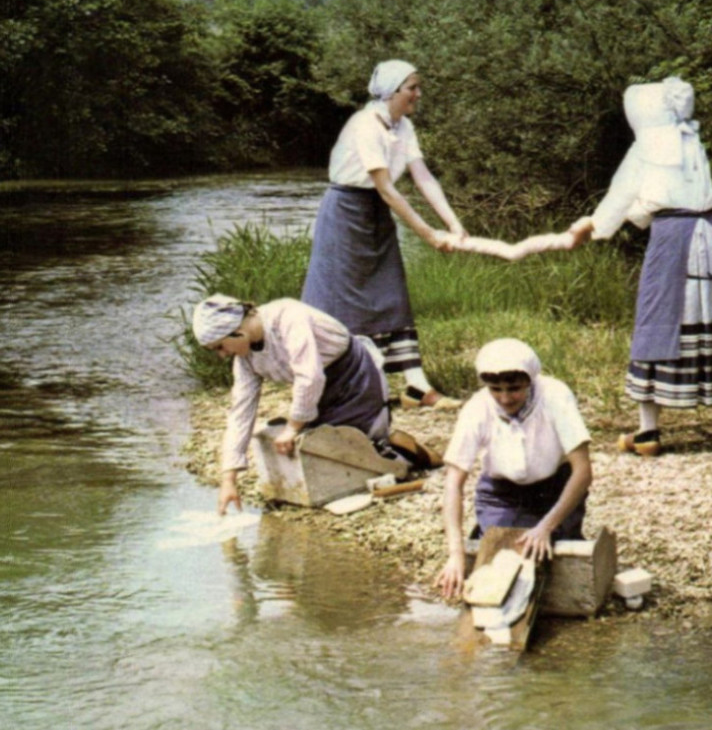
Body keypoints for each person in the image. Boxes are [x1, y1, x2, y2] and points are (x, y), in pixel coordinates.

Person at [566, 77, 712, 457]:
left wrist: (591, 227)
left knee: (657, 319)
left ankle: (648, 433)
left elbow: (623, 197)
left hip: (673, 236)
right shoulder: (691, 141)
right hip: (711, 233)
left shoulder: (647, 145)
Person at [302, 60, 466, 408]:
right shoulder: (365, 126)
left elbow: (422, 177)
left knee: (390, 291)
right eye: (413, 88)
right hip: (346, 213)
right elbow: (387, 188)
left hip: (375, 213)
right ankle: (334, 382)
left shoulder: (402, 126)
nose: (418, 94)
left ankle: (416, 386)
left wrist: (453, 224)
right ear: (392, 92)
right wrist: (428, 235)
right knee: (338, 301)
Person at [193, 294, 428, 515]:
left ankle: (408, 453)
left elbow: (310, 376)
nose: (222, 355)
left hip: (352, 376)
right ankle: (386, 445)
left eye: (220, 347)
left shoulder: (288, 317)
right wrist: (229, 480)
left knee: (355, 443)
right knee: (319, 448)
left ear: (236, 332)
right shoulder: (245, 359)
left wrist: (293, 427)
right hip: (318, 391)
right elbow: (240, 412)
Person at [435, 339, 592, 601]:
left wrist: (546, 527)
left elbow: (583, 471)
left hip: (555, 488)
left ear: (530, 381)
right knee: (505, 561)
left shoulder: (555, 396)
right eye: (496, 389)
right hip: (502, 493)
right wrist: (456, 555)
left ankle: (562, 528)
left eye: (514, 389)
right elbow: (453, 482)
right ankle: (487, 532)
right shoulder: (477, 407)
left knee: (548, 554)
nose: (505, 398)